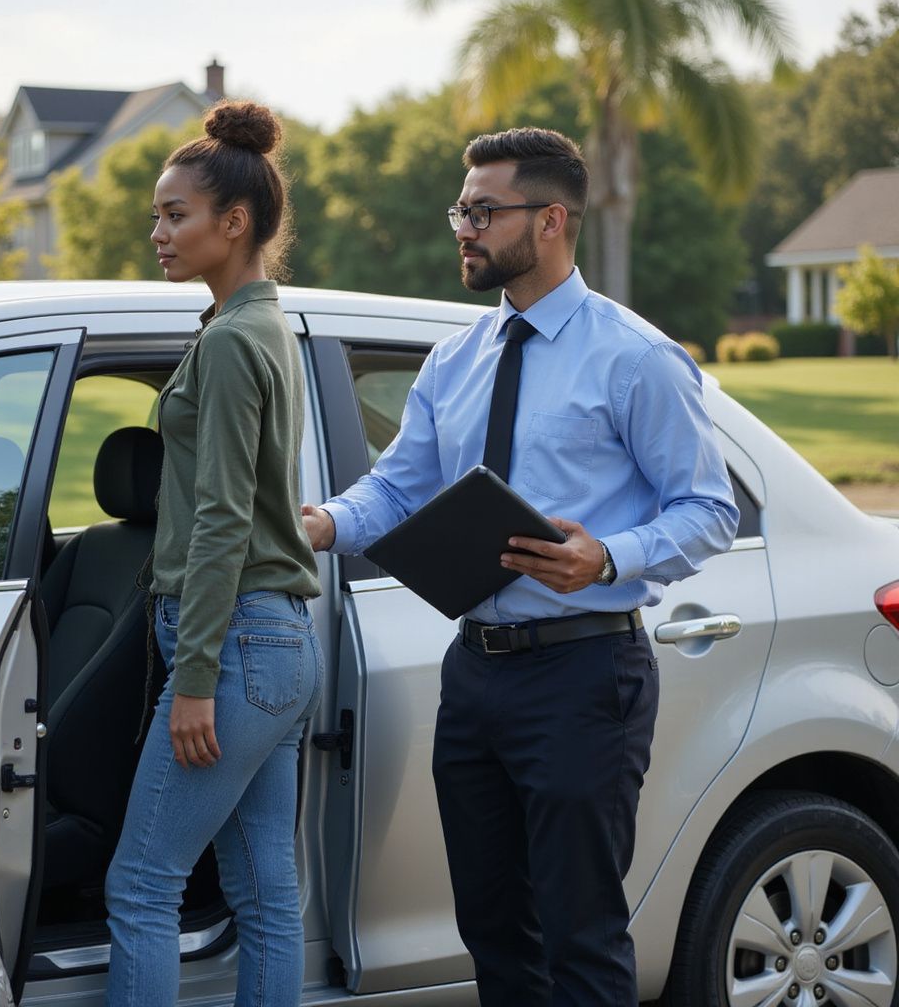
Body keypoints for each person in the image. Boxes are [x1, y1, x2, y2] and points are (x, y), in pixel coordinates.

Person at [301, 127, 738, 1005]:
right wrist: (316, 523)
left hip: (585, 677)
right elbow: (393, 493)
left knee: (581, 934)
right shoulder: (455, 359)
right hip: (473, 678)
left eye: (481, 210)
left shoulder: (633, 356)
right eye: (460, 208)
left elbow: (710, 508)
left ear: (549, 221)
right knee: (495, 932)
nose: (462, 227)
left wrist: (609, 555)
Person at [105, 100, 324, 1007]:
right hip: (273, 645)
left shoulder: (235, 340)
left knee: (141, 884)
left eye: (173, 214)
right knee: (268, 897)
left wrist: (193, 676)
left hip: (233, 648)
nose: (156, 231)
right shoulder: (258, 325)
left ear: (233, 223)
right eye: (158, 213)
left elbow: (225, 519)